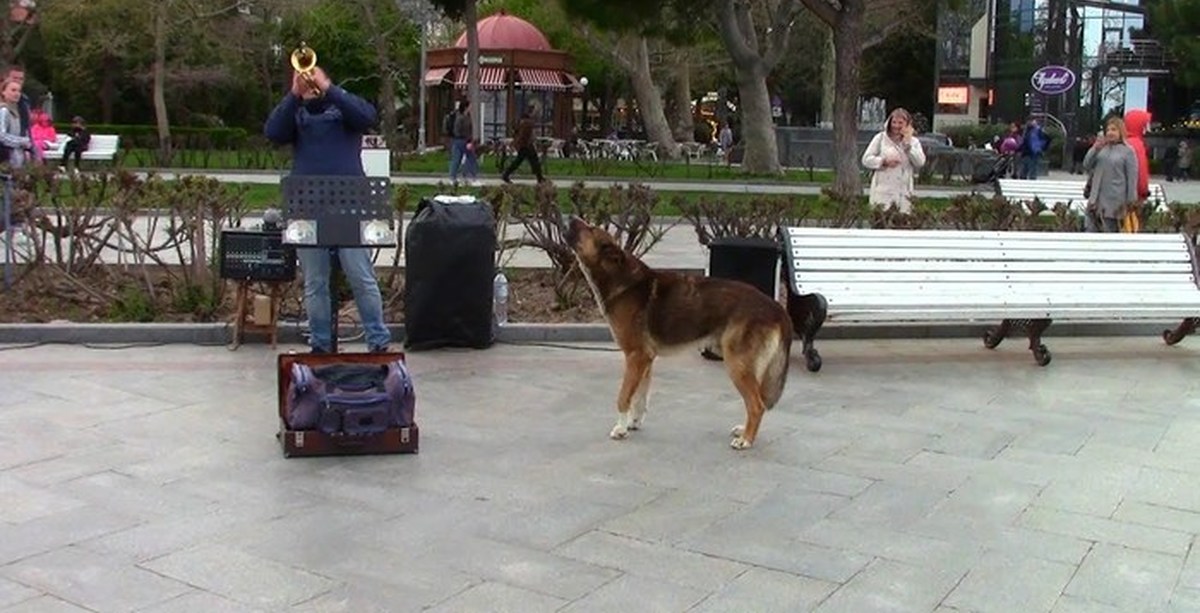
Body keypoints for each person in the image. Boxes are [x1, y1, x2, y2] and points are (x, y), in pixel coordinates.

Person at [264, 64, 392, 354]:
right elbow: (273, 132)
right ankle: (321, 344)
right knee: (315, 281)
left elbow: (367, 116)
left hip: (351, 206)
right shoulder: (295, 113)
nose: (309, 83)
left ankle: (378, 342)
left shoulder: (343, 108)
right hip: (308, 207)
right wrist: (294, 94)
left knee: (361, 276)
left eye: (312, 77)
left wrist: (329, 88)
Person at [861, 107, 926, 212]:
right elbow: (866, 159)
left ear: (907, 124)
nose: (896, 126)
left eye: (900, 123)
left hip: (903, 193)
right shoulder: (880, 138)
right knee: (882, 221)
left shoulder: (914, 142)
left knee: (902, 224)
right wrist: (883, 161)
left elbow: (920, 162)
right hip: (883, 192)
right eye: (894, 122)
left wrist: (908, 147)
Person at [1082, 116, 1138, 233]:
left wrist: (1130, 201)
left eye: (1114, 130)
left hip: (1115, 202)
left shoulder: (1128, 151)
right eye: (1108, 130)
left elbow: (1132, 178)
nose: (1110, 133)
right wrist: (1095, 148)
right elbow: (1086, 165)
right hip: (1095, 201)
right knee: (1090, 233)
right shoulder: (1102, 148)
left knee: (1110, 234)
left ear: (1120, 131)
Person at [501, 106, 545, 184]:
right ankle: (540, 178)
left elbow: (517, 132)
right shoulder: (528, 123)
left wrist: (515, 143)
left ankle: (506, 174)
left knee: (523, 160)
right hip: (526, 145)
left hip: (524, 145)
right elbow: (524, 135)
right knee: (533, 161)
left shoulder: (522, 122)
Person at [0, 79, 31, 169]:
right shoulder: (4, 111)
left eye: (19, 91)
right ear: (3, 92)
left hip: (17, 159)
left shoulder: (18, 112)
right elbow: (1, 136)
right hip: (5, 158)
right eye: (13, 90)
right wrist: (22, 141)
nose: (17, 93)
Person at [448, 99, 480, 187]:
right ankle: (472, 177)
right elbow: (458, 130)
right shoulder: (461, 117)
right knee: (470, 159)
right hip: (462, 141)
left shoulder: (466, 116)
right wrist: (468, 140)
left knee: (457, 159)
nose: (471, 108)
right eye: (470, 106)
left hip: (462, 140)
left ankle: (454, 177)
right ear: (466, 107)